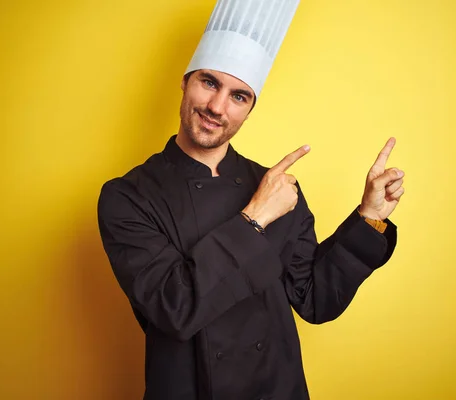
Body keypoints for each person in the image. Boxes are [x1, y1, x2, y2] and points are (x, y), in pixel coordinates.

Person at [97, 1, 405, 399]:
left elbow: (315, 300)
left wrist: (369, 218)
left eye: (239, 96)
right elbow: (174, 308)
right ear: (185, 80)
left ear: (250, 109)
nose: (216, 107)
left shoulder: (277, 187)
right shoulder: (128, 197)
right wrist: (254, 218)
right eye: (209, 83)